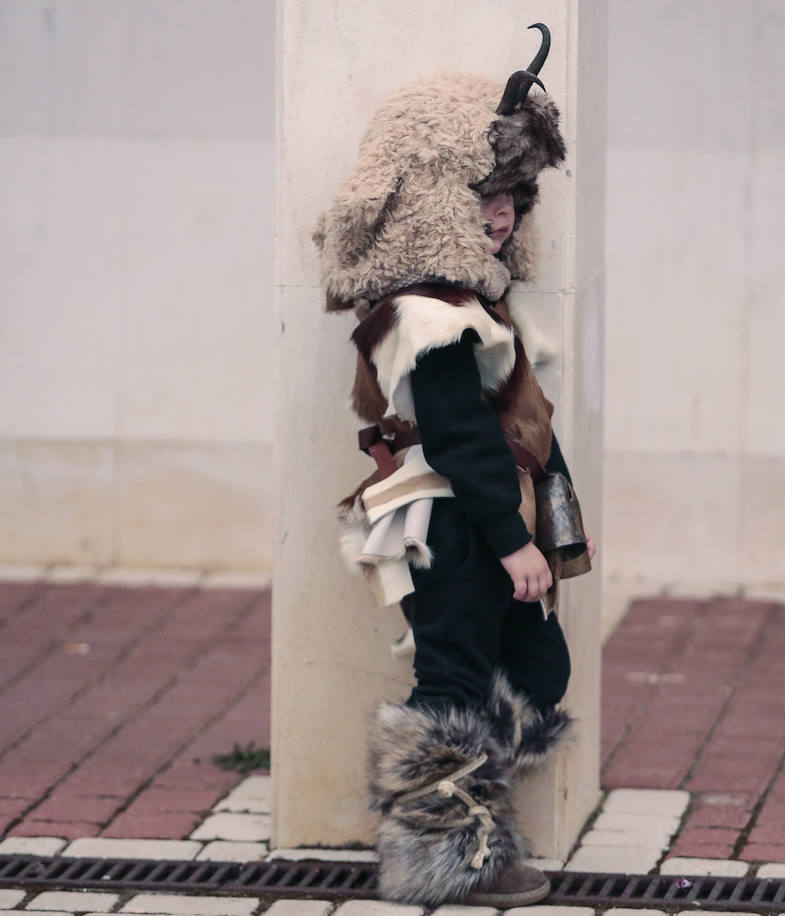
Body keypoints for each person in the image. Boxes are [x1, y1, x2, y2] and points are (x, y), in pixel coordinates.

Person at [313, 24, 593, 909]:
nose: (501, 209)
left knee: (533, 673)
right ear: (435, 199)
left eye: (512, 192)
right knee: (453, 685)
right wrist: (512, 543)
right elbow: (463, 435)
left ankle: (470, 827)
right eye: (480, 191)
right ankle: (444, 860)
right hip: (451, 524)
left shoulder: (468, 301)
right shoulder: (427, 314)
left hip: (479, 518)